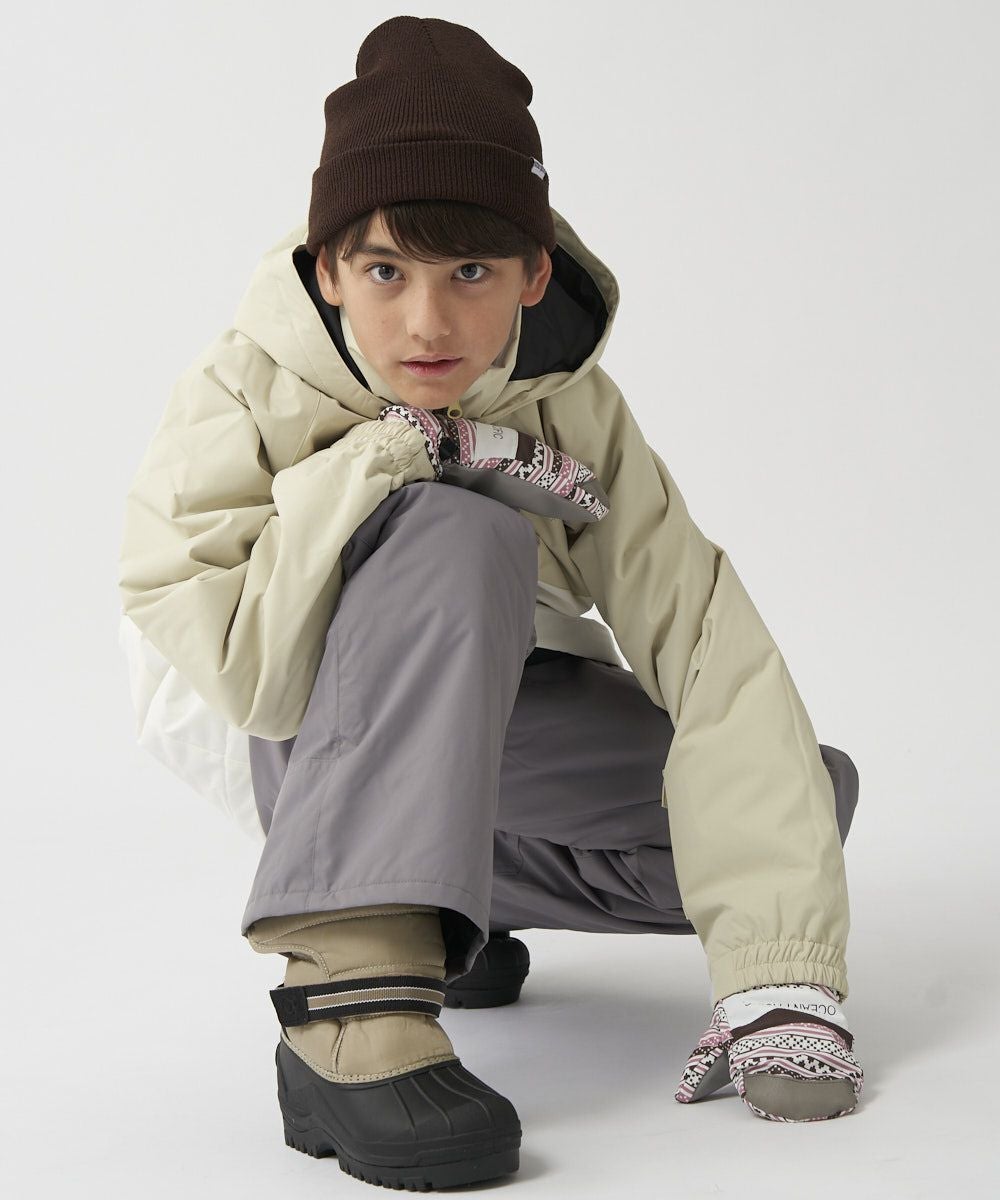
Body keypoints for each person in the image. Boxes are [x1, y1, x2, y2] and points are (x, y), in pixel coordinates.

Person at [117, 15, 864, 1191]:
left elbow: (704, 639)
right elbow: (242, 675)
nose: (428, 323)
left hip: (476, 718)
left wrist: (780, 971)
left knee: (802, 793)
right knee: (455, 527)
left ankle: (439, 908)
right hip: (282, 729)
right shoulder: (243, 386)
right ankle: (351, 1005)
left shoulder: (564, 400)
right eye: (385, 272)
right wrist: (404, 454)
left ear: (532, 274)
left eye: (470, 273)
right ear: (327, 267)